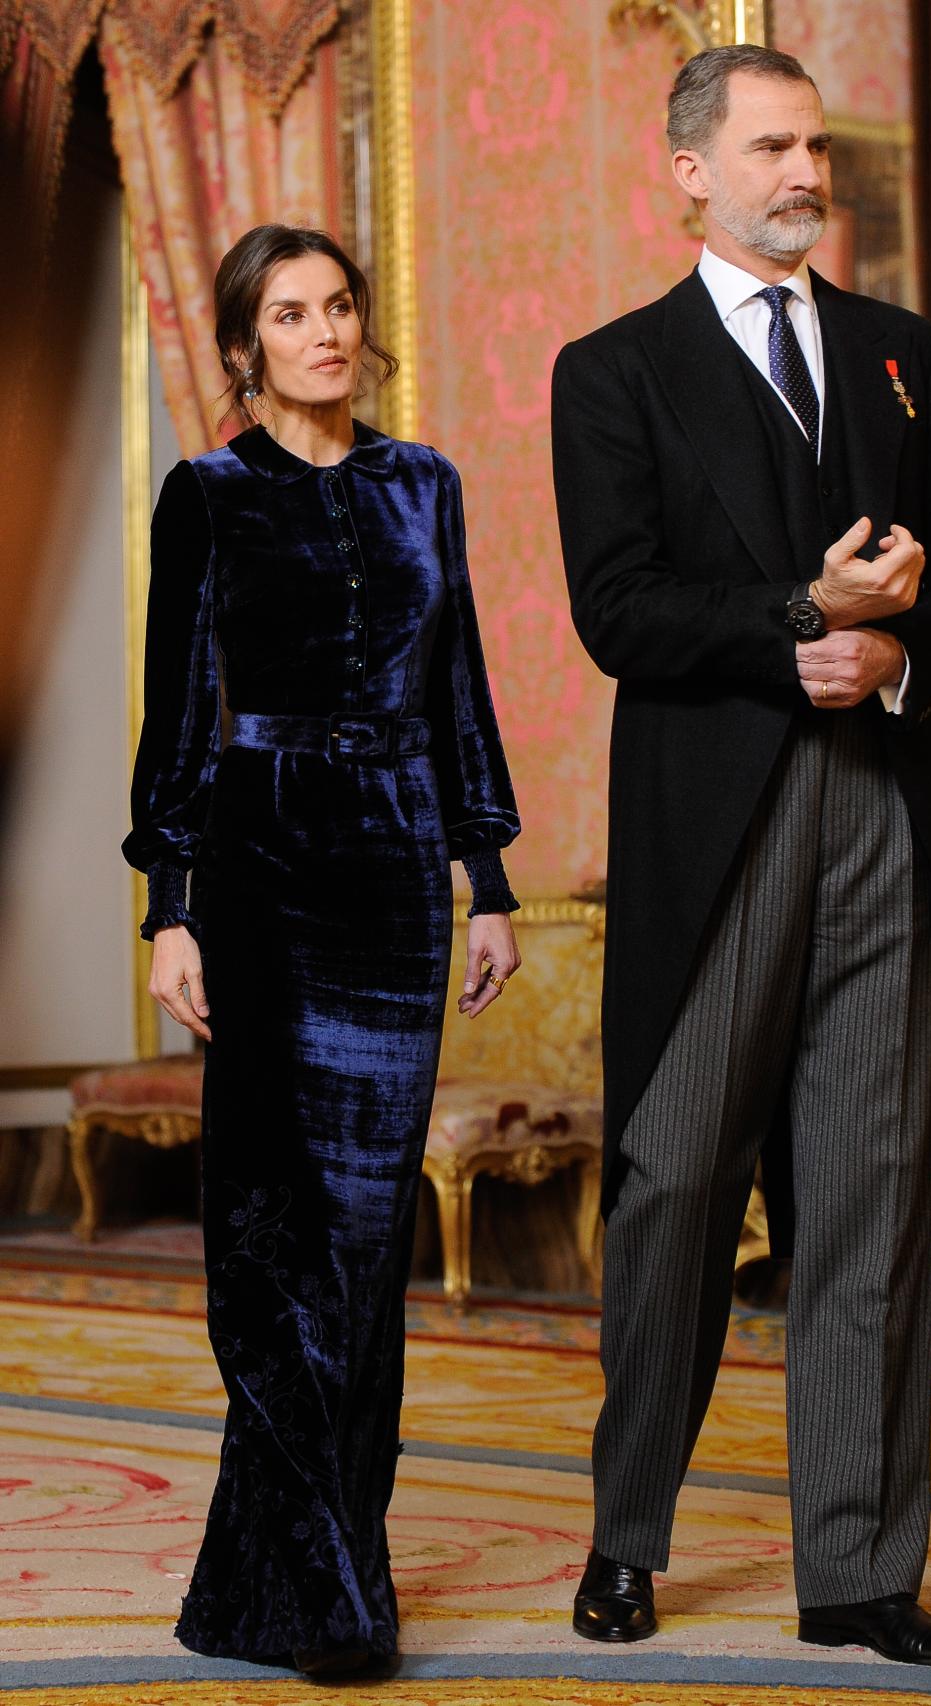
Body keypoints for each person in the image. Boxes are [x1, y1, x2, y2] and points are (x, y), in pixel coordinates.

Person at [552, 44, 931, 1666]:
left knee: (872, 1195)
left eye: (815, 147)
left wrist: (902, 661)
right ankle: (626, 1536)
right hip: (714, 825)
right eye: (772, 146)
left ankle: (858, 1569)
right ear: (691, 171)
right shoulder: (617, 371)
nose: (807, 171)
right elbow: (618, 608)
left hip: (883, 807)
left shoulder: (911, 356)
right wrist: (803, 624)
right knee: (672, 1186)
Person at [122, 224, 521, 1677]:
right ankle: (333, 1597)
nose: (325, 331)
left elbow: (461, 678)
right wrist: (170, 906)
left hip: (401, 868)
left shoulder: (427, 485)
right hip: (261, 863)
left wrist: (487, 877)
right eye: (291, 313)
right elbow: (176, 714)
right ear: (246, 346)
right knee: (276, 1232)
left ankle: (272, 1578)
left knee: (363, 1243)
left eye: (340, 305)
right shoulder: (208, 495)